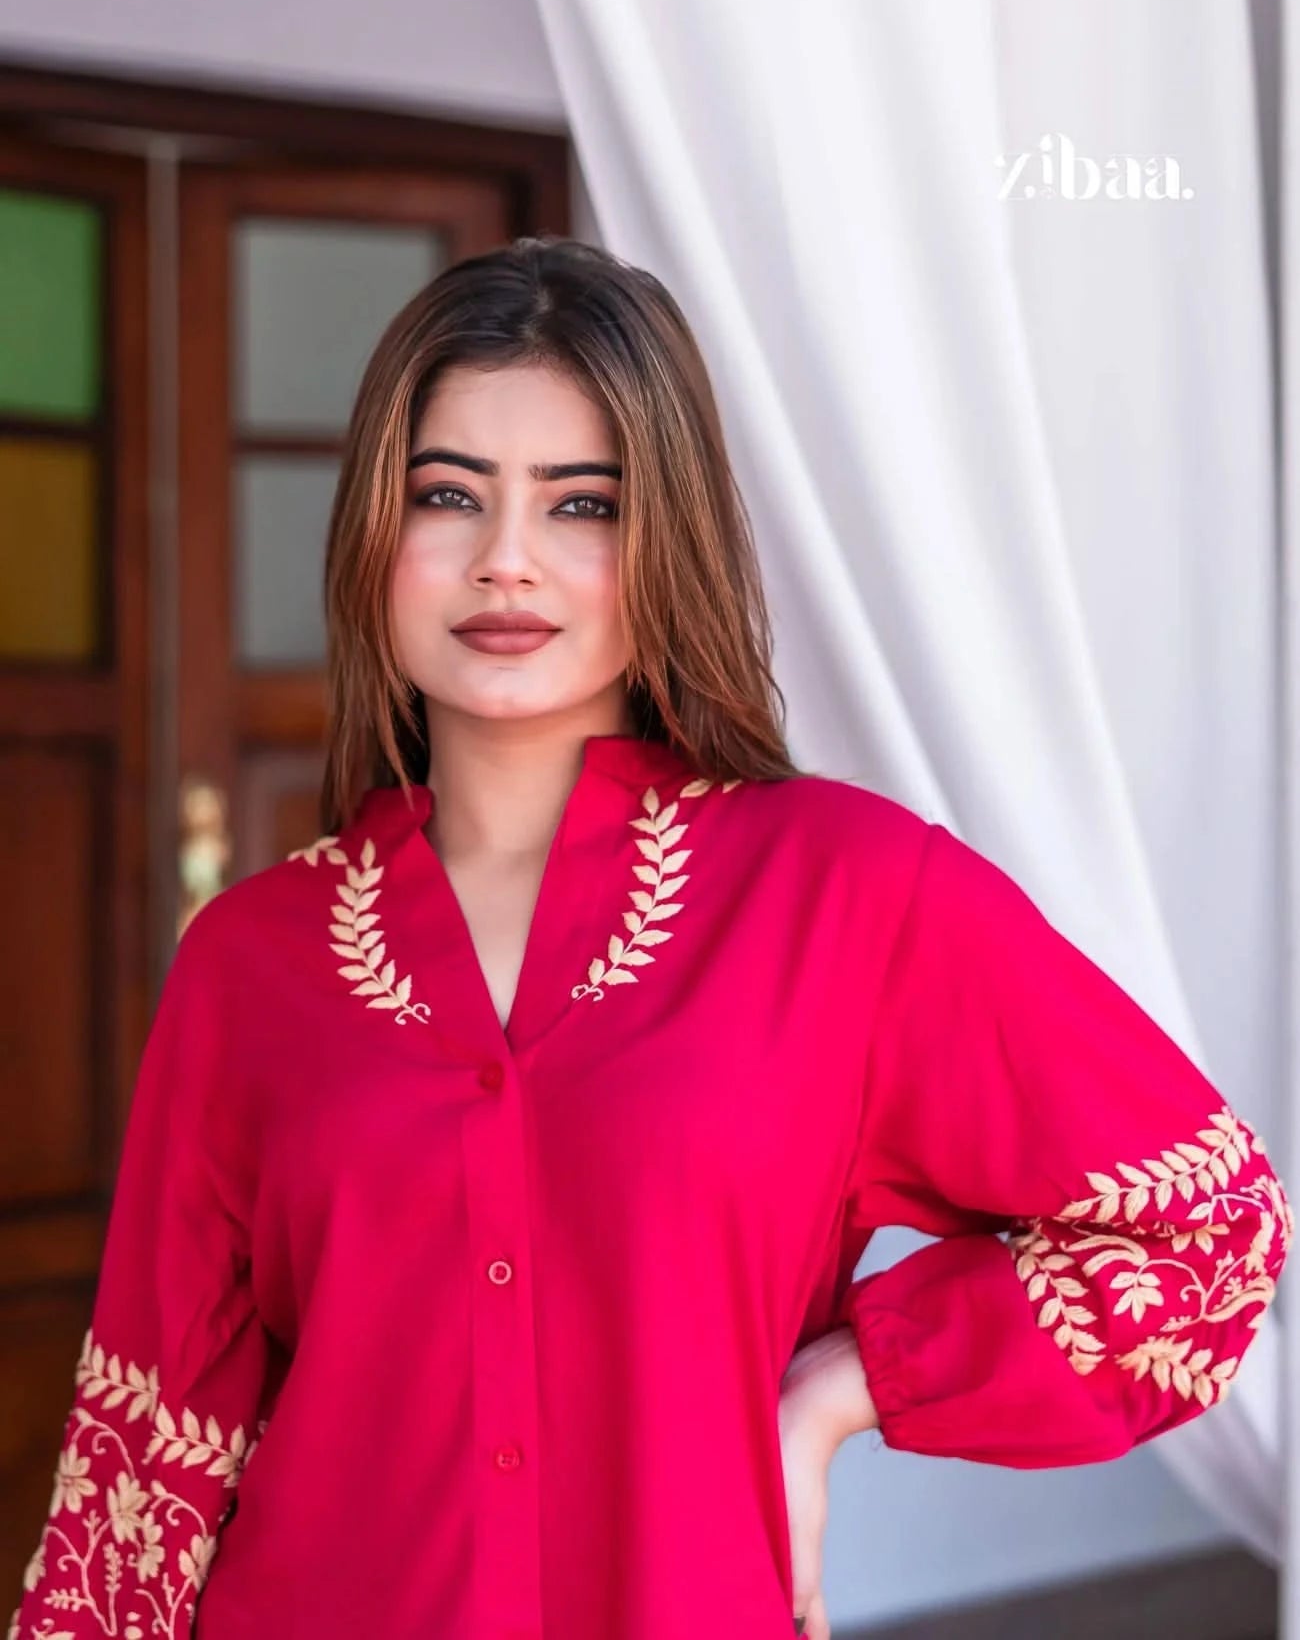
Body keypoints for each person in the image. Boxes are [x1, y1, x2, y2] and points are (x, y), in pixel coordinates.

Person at [9, 236, 1291, 1640]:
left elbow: (1205, 1235)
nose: (507, 561)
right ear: (376, 532)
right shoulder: (251, 960)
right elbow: (144, 1458)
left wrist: (835, 1392)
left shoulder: (848, 895)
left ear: (664, 534)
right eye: (451, 495)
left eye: (583, 505)